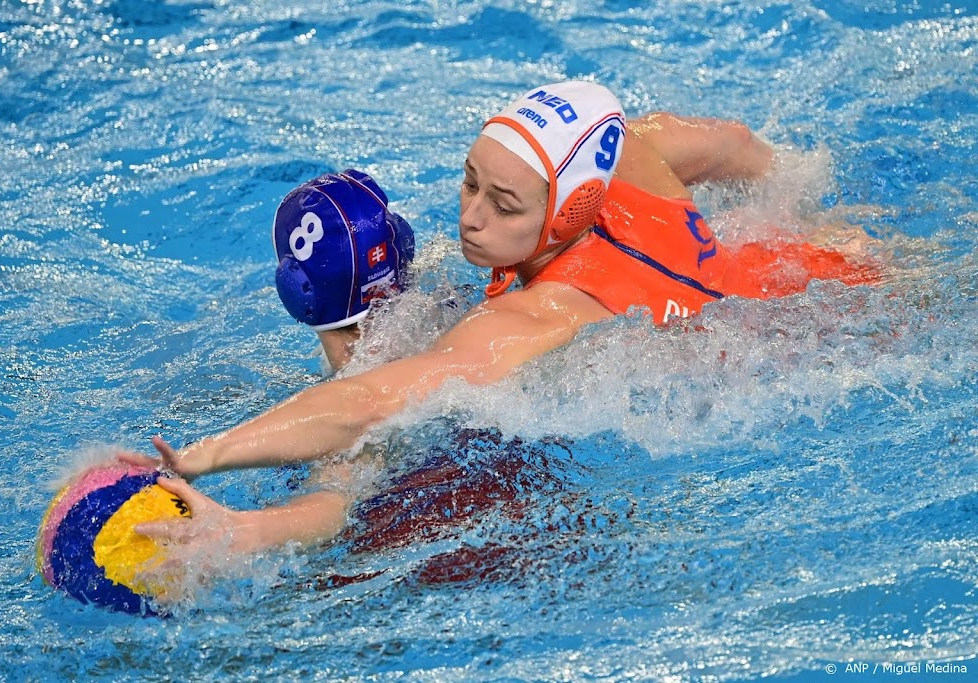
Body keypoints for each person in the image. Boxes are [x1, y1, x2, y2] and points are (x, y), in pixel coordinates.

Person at [122, 81, 881, 562]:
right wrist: (808, 200)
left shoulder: (542, 313)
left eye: (504, 204)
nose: (472, 218)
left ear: (567, 209)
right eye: (470, 181)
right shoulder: (631, 158)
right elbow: (737, 146)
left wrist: (210, 455)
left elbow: (373, 400)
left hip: (823, 327)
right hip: (810, 264)